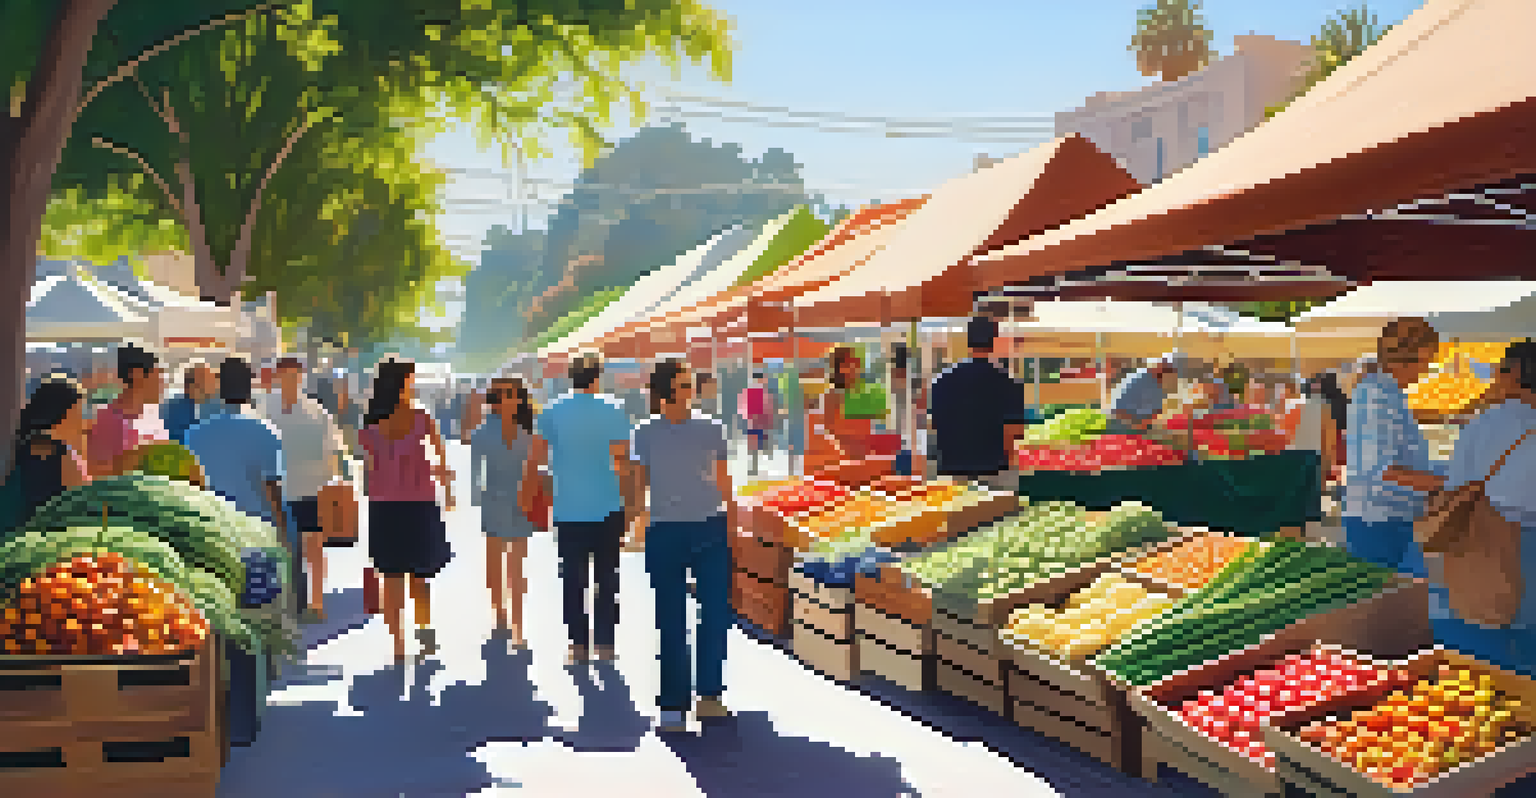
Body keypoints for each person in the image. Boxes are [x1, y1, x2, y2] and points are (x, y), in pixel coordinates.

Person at [628, 359, 734, 734]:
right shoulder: (643, 432)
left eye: (691, 383)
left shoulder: (712, 429)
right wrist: (635, 522)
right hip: (665, 531)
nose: (692, 390)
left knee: (714, 615)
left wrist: (732, 526)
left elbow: (725, 482)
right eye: (684, 384)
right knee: (670, 618)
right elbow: (639, 482)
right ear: (666, 390)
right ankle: (673, 701)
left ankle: (709, 696)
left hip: (709, 527)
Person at [1424, 341, 1536, 677]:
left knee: (1486, 640)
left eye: (1500, 370)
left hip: (1487, 540)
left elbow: (1456, 482)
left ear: (1513, 374)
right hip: (1527, 543)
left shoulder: (1484, 423)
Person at [529, 354, 634, 665]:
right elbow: (622, 462)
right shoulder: (614, 410)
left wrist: (544, 491)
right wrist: (630, 505)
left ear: (570, 377)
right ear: (598, 377)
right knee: (607, 578)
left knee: (572, 579)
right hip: (607, 505)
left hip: (568, 508)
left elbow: (537, 459)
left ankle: (577, 645)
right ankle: (605, 643)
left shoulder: (551, 412)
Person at [357, 358, 456, 661]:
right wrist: (446, 490)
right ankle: (425, 633)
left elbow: (368, 468)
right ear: (401, 384)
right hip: (419, 505)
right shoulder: (421, 417)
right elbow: (441, 458)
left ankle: (398, 644)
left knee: (391, 577)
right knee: (419, 576)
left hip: (384, 507)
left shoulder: (370, 423)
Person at [1341, 317, 1446, 580]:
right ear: (1416, 355)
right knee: (1383, 604)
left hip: (1388, 518)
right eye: (1429, 359)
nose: (1428, 368)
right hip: (1380, 521)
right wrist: (1447, 484)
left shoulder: (1387, 392)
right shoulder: (1378, 395)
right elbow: (1384, 471)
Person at [258, 358, 347, 623]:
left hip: (311, 487)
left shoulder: (316, 411)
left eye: (295, 375)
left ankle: (316, 602)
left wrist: (333, 482)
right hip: (277, 488)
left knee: (314, 545)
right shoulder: (264, 408)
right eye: (286, 375)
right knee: (281, 547)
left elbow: (333, 449)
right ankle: (286, 603)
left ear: (301, 377)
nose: (291, 380)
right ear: (277, 377)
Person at [470, 376, 542, 647]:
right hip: (495, 500)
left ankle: (517, 621)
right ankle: (499, 610)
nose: (509, 400)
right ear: (494, 400)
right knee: (495, 561)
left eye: (513, 394)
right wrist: (478, 499)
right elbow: (476, 472)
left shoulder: (531, 430)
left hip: (523, 499)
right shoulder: (482, 432)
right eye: (502, 395)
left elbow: (540, 464)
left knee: (517, 564)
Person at [927, 316, 1030, 491]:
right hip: (994, 473)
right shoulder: (1008, 383)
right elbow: (1015, 433)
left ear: (968, 341)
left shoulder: (941, 381)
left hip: (951, 474)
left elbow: (934, 425)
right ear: (994, 341)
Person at [183, 358, 287, 529]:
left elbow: (192, 486)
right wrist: (285, 539)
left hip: (213, 530)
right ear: (249, 389)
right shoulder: (267, 431)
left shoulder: (193, 435)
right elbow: (274, 491)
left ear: (220, 388)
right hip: (257, 531)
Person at [8, 377, 91, 526]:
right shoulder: (61, 453)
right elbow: (84, 505)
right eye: (79, 413)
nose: (84, 423)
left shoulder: (26, 444)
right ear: (61, 415)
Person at [88, 345, 169, 477]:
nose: (162, 384)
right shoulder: (104, 421)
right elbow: (95, 474)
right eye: (158, 376)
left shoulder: (154, 416)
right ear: (137, 375)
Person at [1107, 351, 1185, 429]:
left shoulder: (1161, 385)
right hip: (1125, 425)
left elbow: (1156, 411)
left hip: (1143, 425)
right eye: (1168, 370)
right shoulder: (1140, 379)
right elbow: (1120, 410)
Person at [162, 362, 220, 446]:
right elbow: (174, 438)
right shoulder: (174, 408)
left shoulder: (218, 407)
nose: (214, 384)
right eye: (209, 380)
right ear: (193, 386)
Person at [738, 373, 776, 476]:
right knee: (756, 445)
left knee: (753, 446)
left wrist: (745, 418)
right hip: (758, 423)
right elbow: (768, 408)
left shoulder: (748, 392)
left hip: (753, 423)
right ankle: (754, 466)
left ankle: (753, 466)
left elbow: (742, 408)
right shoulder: (763, 393)